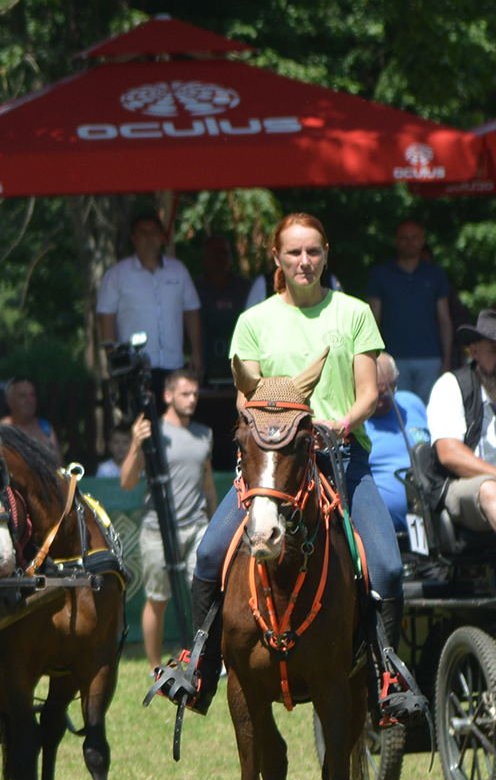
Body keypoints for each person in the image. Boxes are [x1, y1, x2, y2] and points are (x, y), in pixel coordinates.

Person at [153, 213, 421, 722]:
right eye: (294, 252)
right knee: (208, 556)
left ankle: (387, 679)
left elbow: (369, 392)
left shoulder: (354, 312)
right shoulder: (254, 321)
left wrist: (341, 422)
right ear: (276, 257)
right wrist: (280, 425)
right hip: (269, 463)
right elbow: (244, 399)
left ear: (326, 255)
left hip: (341, 457)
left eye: (313, 251)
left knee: (386, 567)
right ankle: (198, 667)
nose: (304, 261)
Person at [119, 371, 215, 669]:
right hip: (158, 530)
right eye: (185, 394)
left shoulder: (204, 433)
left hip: (197, 527)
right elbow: (127, 482)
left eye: (195, 394)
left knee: (206, 598)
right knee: (157, 601)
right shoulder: (152, 431)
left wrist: (214, 525)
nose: (192, 399)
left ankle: (210, 661)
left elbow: (208, 484)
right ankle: (153, 667)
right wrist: (135, 445)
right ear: (168, 396)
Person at [95, 212, 203, 385]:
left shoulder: (178, 271)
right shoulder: (117, 274)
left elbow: (191, 310)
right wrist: (112, 359)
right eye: (143, 233)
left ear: (161, 236)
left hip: (173, 365)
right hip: (133, 368)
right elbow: (106, 316)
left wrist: (196, 352)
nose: (149, 238)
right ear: (134, 239)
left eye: (153, 232)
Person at [424, 314, 496, 537]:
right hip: (459, 485)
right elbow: (449, 454)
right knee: (490, 489)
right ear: (474, 351)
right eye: (493, 351)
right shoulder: (451, 385)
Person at [366, 219, 453, 405]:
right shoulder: (380, 275)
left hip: (430, 358)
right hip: (392, 358)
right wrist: (373, 359)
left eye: (414, 237)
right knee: (397, 411)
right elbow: (372, 321)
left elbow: (444, 320)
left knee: (430, 412)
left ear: (422, 241)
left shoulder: (435, 275)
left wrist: (447, 361)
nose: (409, 242)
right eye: (404, 238)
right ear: (396, 241)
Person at [364, 353, 429, 533]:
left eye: (386, 395)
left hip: (427, 524)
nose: (379, 404)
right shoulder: (354, 422)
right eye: (374, 395)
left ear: (396, 378)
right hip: (380, 531)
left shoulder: (412, 403)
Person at [196, 234, 254, 380]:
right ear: (204, 258)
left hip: (242, 366)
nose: (220, 257)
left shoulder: (246, 289)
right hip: (205, 368)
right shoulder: (194, 290)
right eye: (214, 253)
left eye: (224, 252)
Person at [0, 376, 62, 459]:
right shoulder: (1, 431)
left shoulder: (46, 428)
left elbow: (59, 463)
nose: (30, 400)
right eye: (23, 396)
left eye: (32, 395)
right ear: (10, 402)